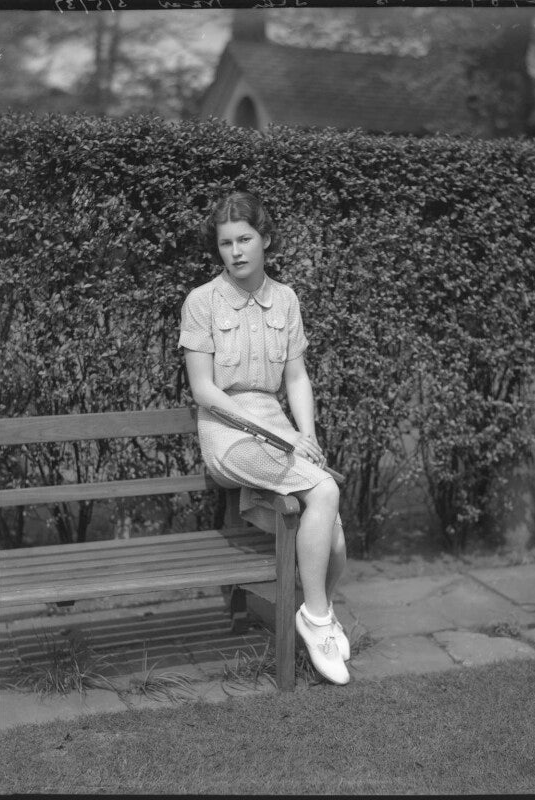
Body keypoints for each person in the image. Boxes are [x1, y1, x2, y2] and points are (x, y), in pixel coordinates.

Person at [178, 191, 350, 685]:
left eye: (245, 239)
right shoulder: (202, 302)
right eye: (225, 243)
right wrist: (278, 435)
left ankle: (319, 611)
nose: (235, 251)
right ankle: (316, 620)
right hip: (228, 435)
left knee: (334, 536)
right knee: (325, 492)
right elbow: (204, 390)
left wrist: (305, 434)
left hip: (278, 429)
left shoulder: (287, 299)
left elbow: (296, 378)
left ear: (265, 240)